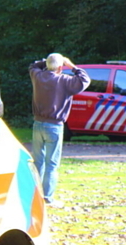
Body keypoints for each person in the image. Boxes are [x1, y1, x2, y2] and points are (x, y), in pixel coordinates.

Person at [29, 53, 90, 204]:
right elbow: (85, 79)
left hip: (37, 124)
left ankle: (35, 196)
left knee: (38, 161)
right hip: (54, 126)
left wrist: (47, 61)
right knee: (52, 164)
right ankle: (47, 198)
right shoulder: (64, 81)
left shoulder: (38, 76)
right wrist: (72, 66)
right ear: (61, 67)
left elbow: (33, 66)